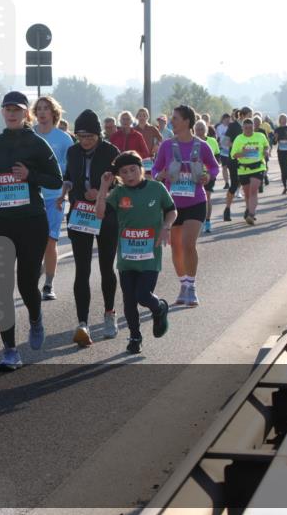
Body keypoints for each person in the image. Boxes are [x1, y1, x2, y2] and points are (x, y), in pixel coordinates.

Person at [0, 91, 63, 371]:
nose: (11, 113)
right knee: (2, 287)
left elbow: (56, 180)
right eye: (7, 108)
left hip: (31, 221)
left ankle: (36, 317)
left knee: (27, 284)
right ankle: (9, 350)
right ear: (2, 112)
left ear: (26, 113)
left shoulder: (37, 144)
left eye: (17, 109)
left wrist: (31, 176)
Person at [95, 151, 174, 355]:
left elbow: (171, 210)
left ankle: (159, 308)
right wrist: (104, 187)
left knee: (143, 296)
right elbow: (100, 213)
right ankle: (135, 336)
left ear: (141, 169)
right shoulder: (119, 193)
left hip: (149, 256)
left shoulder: (156, 188)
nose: (130, 174)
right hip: (127, 258)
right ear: (119, 175)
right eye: (124, 172)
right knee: (129, 300)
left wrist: (166, 227)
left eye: (133, 169)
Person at [59, 110, 120, 346]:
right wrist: (64, 194)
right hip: (80, 214)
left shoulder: (111, 152)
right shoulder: (73, 151)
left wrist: (102, 193)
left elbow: (122, 183)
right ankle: (82, 323)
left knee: (106, 267)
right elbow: (68, 177)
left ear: (98, 135)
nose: (85, 141)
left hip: (106, 215)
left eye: (90, 137)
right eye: (81, 136)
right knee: (82, 269)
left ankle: (109, 313)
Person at [152, 106, 219, 307]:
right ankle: (183, 284)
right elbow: (156, 167)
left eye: (175, 118)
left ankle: (191, 286)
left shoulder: (202, 146)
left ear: (187, 122)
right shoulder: (166, 146)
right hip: (172, 204)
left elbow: (215, 166)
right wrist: (158, 176)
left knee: (189, 244)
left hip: (195, 201)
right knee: (177, 248)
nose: (172, 121)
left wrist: (209, 176)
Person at [34, 96, 75, 300]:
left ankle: (48, 284)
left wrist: (65, 190)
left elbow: (70, 170)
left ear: (53, 113)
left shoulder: (63, 139)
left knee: (50, 241)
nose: (42, 112)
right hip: (31, 196)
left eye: (46, 109)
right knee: (33, 243)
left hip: (55, 197)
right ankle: (35, 274)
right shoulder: (29, 135)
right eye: (39, 108)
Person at [230, 117, 269, 225]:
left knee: (253, 190)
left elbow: (266, 146)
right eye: (246, 128)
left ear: (254, 127)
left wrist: (266, 151)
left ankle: (251, 214)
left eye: (250, 127)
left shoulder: (260, 136)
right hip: (244, 169)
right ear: (242, 128)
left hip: (258, 167)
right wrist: (245, 153)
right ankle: (248, 209)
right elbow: (233, 155)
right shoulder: (239, 139)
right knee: (247, 194)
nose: (248, 130)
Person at [222, 107, 247, 221]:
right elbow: (224, 142)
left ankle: (248, 211)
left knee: (247, 185)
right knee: (234, 185)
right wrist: (237, 145)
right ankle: (227, 209)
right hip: (234, 160)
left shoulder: (250, 127)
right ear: (243, 115)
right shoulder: (233, 126)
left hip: (248, 161)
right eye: (249, 115)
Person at [194, 119, 220, 233]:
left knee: (207, 197)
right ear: (194, 130)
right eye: (197, 129)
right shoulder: (191, 141)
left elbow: (217, 157)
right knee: (196, 198)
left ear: (206, 130)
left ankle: (208, 221)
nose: (199, 131)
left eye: (202, 129)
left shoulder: (212, 141)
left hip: (208, 174)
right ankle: (198, 220)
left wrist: (212, 172)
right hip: (194, 175)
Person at [275, 114, 287, 195]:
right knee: (283, 170)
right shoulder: (277, 129)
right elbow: (274, 143)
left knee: (286, 169)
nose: (284, 120)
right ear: (280, 120)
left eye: (285, 118)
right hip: (281, 151)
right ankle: (285, 186)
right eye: (282, 119)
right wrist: (275, 138)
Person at [216, 113, 233, 190]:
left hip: (231, 149)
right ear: (222, 120)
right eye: (226, 119)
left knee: (231, 167)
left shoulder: (231, 127)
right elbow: (218, 138)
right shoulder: (219, 127)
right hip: (223, 150)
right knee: (224, 167)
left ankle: (233, 181)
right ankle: (226, 183)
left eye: (228, 120)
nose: (227, 121)